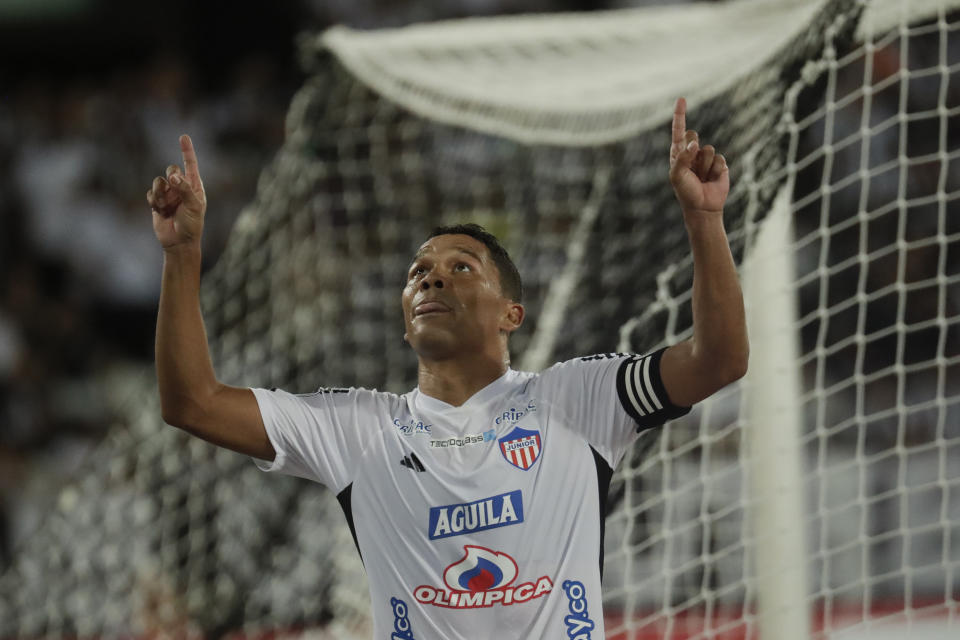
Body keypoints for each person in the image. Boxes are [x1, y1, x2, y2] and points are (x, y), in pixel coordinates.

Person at [146, 97, 748, 638]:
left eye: (462, 266)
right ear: (406, 321)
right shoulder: (356, 429)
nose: (430, 276)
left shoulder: (578, 397)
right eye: (417, 272)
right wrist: (182, 254)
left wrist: (704, 221)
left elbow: (719, 360)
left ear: (512, 313)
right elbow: (192, 402)